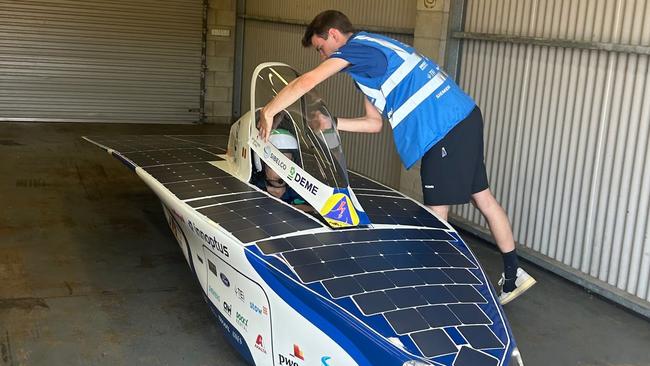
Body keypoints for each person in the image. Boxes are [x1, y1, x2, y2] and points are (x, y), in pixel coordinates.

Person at [257, 10, 535, 304]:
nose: (323, 57)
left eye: (321, 48)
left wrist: (269, 111)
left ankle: (434, 293)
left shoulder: (357, 51)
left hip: (443, 128)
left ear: (334, 36)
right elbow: (374, 124)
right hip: (463, 118)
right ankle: (512, 275)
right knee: (483, 198)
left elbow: (305, 83)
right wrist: (332, 123)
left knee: (436, 216)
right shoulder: (370, 55)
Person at [252, 129, 312, 212]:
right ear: (262, 163)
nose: (283, 168)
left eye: (287, 162)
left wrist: (306, 209)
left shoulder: (301, 192)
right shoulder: (253, 189)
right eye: (276, 162)